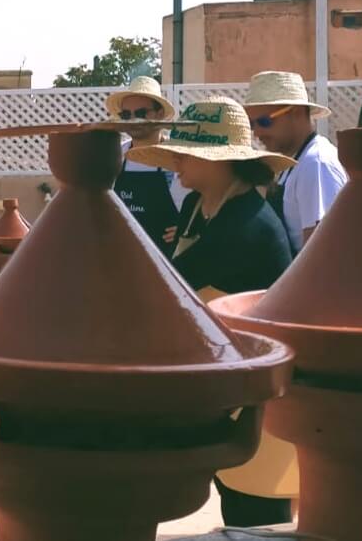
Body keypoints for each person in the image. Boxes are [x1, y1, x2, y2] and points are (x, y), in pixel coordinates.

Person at [127, 97, 297, 527]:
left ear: (220, 162)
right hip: (224, 376)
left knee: (255, 510)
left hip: (260, 392)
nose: (177, 162)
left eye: (186, 154)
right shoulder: (195, 208)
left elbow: (173, 287)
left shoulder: (247, 224)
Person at [242, 71, 347, 253]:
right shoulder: (296, 161)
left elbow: (320, 252)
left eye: (265, 122)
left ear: (296, 113)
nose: (257, 133)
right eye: (252, 124)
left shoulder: (316, 165)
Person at [105, 76, 190, 255]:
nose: (134, 119)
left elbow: (205, 208)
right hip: (123, 260)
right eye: (127, 115)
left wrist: (191, 230)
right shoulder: (114, 157)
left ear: (160, 114)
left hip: (169, 266)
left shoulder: (178, 158)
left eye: (142, 113)